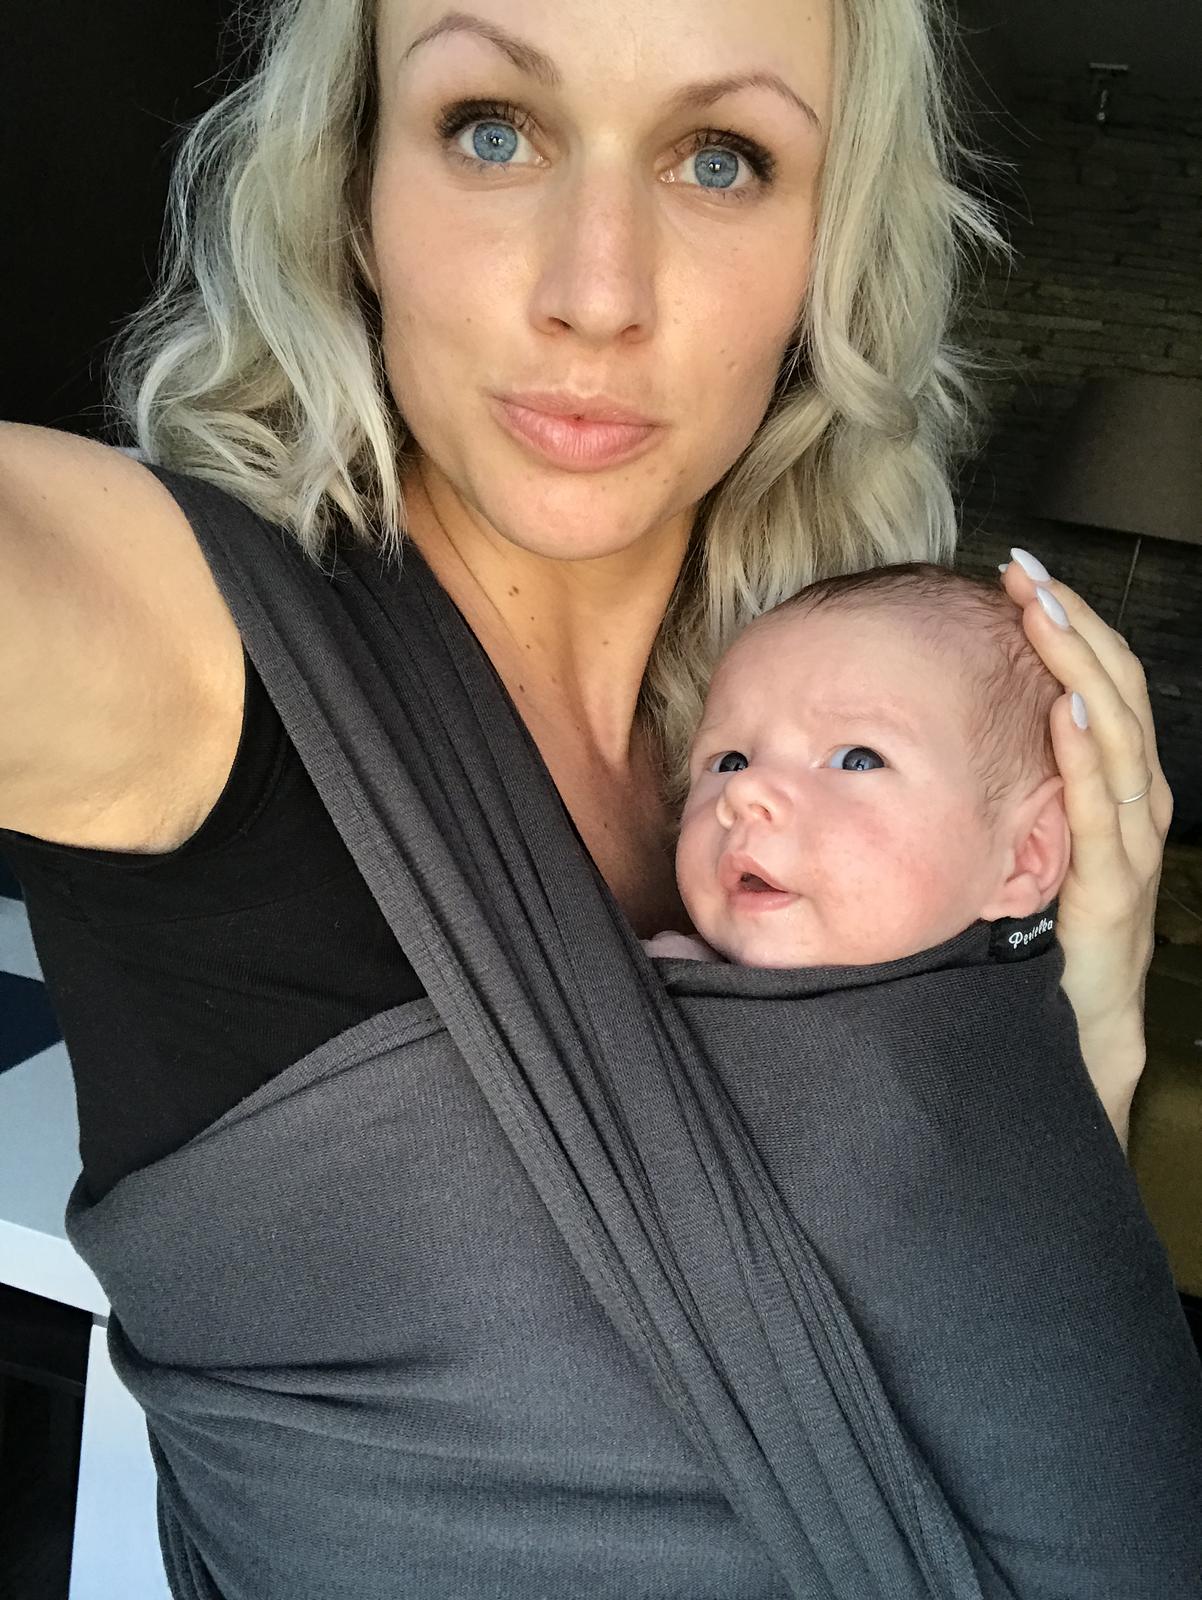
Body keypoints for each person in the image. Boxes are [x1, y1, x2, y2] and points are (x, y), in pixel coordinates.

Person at [0, 1, 1191, 1596]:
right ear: (353, 189)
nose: (596, 291)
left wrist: (1081, 1033)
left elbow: (996, 1359)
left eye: (721, 158)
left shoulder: (825, 738)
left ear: (827, 254)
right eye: (490, 130)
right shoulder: (183, 644)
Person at [646, 562, 1072, 966]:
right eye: (730, 762)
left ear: (1026, 854)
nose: (744, 788)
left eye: (858, 761)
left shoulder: (987, 1016)